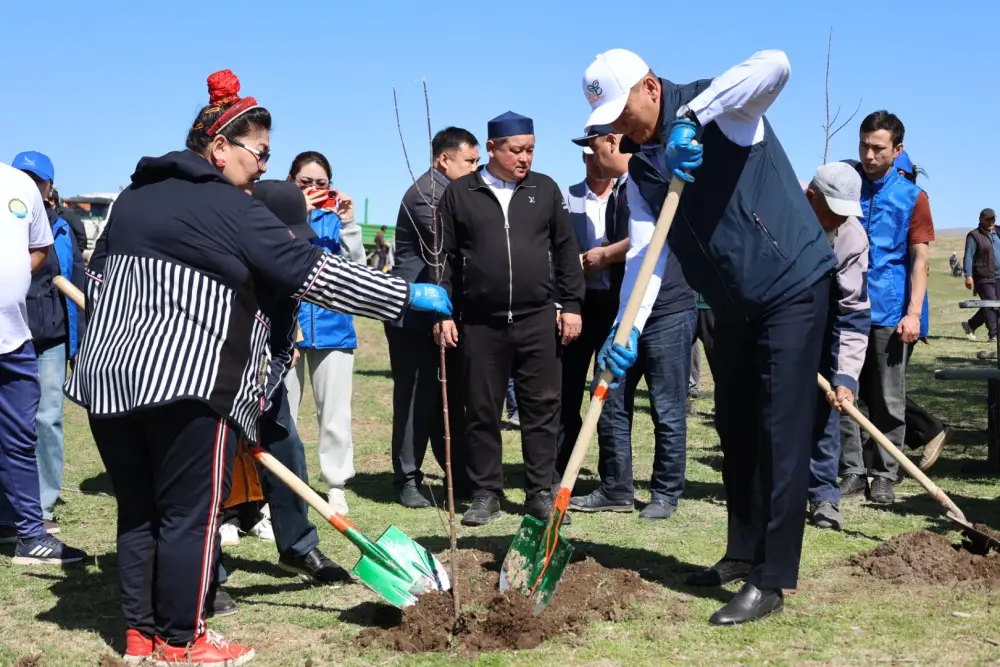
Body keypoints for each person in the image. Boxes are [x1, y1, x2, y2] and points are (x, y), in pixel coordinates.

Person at [63, 69, 453, 666]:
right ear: (219, 146)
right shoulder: (226, 204)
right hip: (188, 382)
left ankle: (141, 635)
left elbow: (102, 278)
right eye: (259, 153)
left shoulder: (131, 200)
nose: (263, 167)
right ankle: (183, 640)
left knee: (139, 511)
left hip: (109, 382)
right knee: (189, 516)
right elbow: (309, 270)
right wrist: (404, 298)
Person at [580, 48, 837, 625]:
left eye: (625, 114)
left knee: (779, 428)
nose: (619, 131)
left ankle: (772, 578)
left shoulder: (723, 107)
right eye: (608, 123)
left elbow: (776, 63)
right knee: (736, 426)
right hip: (730, 302)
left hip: (791, 282)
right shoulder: (644, 166)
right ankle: (743, 552)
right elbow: (649, 255)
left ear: (651, 87)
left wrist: (691, 119)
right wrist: (625, 331)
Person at [213, 180, 360, 618]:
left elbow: (280, 342)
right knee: (213, 469)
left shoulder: (289, 274)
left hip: (260, 378)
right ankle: (208, 575)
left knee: (287, 448)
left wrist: (267, 382)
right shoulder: (228, 266)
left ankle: (297, 547)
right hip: (214, 377)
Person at [438, 111, 585, 527]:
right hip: (480, 323)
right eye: (516, 150)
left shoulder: (545, 189)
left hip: (538, 319)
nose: (525, 158)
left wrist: (571, 305)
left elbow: (565, 249)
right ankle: (486, 492)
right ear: (491, 149)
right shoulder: (461, 193)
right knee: (482, 409)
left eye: (531, 150)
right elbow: (443, 260)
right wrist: (442, 312)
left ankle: (540, 491)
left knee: (542, 408)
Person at [565, 126, 699, 521]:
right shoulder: (620, 189)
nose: (590, 157)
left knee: (667, 407)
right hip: (624, 315)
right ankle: (616, 487)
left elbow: (651, 241)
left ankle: (665, 493)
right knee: (608, 397)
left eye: (592, 147)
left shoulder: (653, 180)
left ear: (611, 141)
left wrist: (604, 254)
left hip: (669, 310)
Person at [838, 112, 935, 505]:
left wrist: (912, 314)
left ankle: (884, 473)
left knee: (888, 399)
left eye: (878, 148)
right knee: (846, 394)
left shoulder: (913, 197)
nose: (869, 154)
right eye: (864, 145)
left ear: (897, 150)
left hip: (889, 312)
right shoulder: (845, 187)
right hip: (846, 309)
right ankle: (853, 470)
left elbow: (920, 260)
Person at [385, 126, 479, 508]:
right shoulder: (428, 195)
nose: (476, 169)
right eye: (470, 161)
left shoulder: (448, 192)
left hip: (442, 314)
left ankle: (458, 476)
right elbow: (443, 251)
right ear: (444, 159)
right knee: (414, 399)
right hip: (414, 315)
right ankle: (408, 478)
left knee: (446, 396)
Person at [0, 159, 87, 566]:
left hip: (17, 337)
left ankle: (30, 534)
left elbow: (41, 251)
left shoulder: (18, 186)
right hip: (26, 332)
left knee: (23, 436)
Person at [284, 151, 364, 516]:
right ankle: (283, 484)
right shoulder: (277, 218)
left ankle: (336, 484)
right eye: (305, 183)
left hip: (335, 329)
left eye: (321, 184)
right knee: (281, 412)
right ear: (291, 182)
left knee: (334, 413)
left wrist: (348, 223)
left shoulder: (336, 222)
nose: (315, 190)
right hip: (286, 328)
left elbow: (358, 272)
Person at [557, 124, 630, 481]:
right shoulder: (565, 199)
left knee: (609, 390)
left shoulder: (629, 196)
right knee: (567, 386)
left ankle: (611, 473)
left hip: (616, 303)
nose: (592, 161)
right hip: (578, 302)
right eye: (586, 155)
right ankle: (562, 465)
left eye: (595, 152)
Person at [803, 162, 871, 532]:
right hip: (774, 314)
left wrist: (845, 376)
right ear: (811, 197)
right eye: (833, 212)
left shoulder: (852, 237)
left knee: (825, 411)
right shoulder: (781, 210)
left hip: (826, 320)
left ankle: (824, 497)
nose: (839, 221)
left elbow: (853, 313)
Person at [894, 153, 951, 470]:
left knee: (886, 389)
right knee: (878, 386)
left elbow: (920, 266)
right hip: (885, 312)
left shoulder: (910, 205)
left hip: (903, 313)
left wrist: (915, 317)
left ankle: (930, 429)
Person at [961, 208, 999, 343]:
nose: (991, 222)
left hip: (999, 277)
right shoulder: (974, 235)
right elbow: (968, 256)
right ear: (981, 220)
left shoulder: (998, 232)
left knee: (995, 304)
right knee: (991, 305)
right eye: (988, 219)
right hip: (984, 276)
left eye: (993, 219)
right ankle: (994, 335)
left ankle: (971, 324)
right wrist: (968, 275)